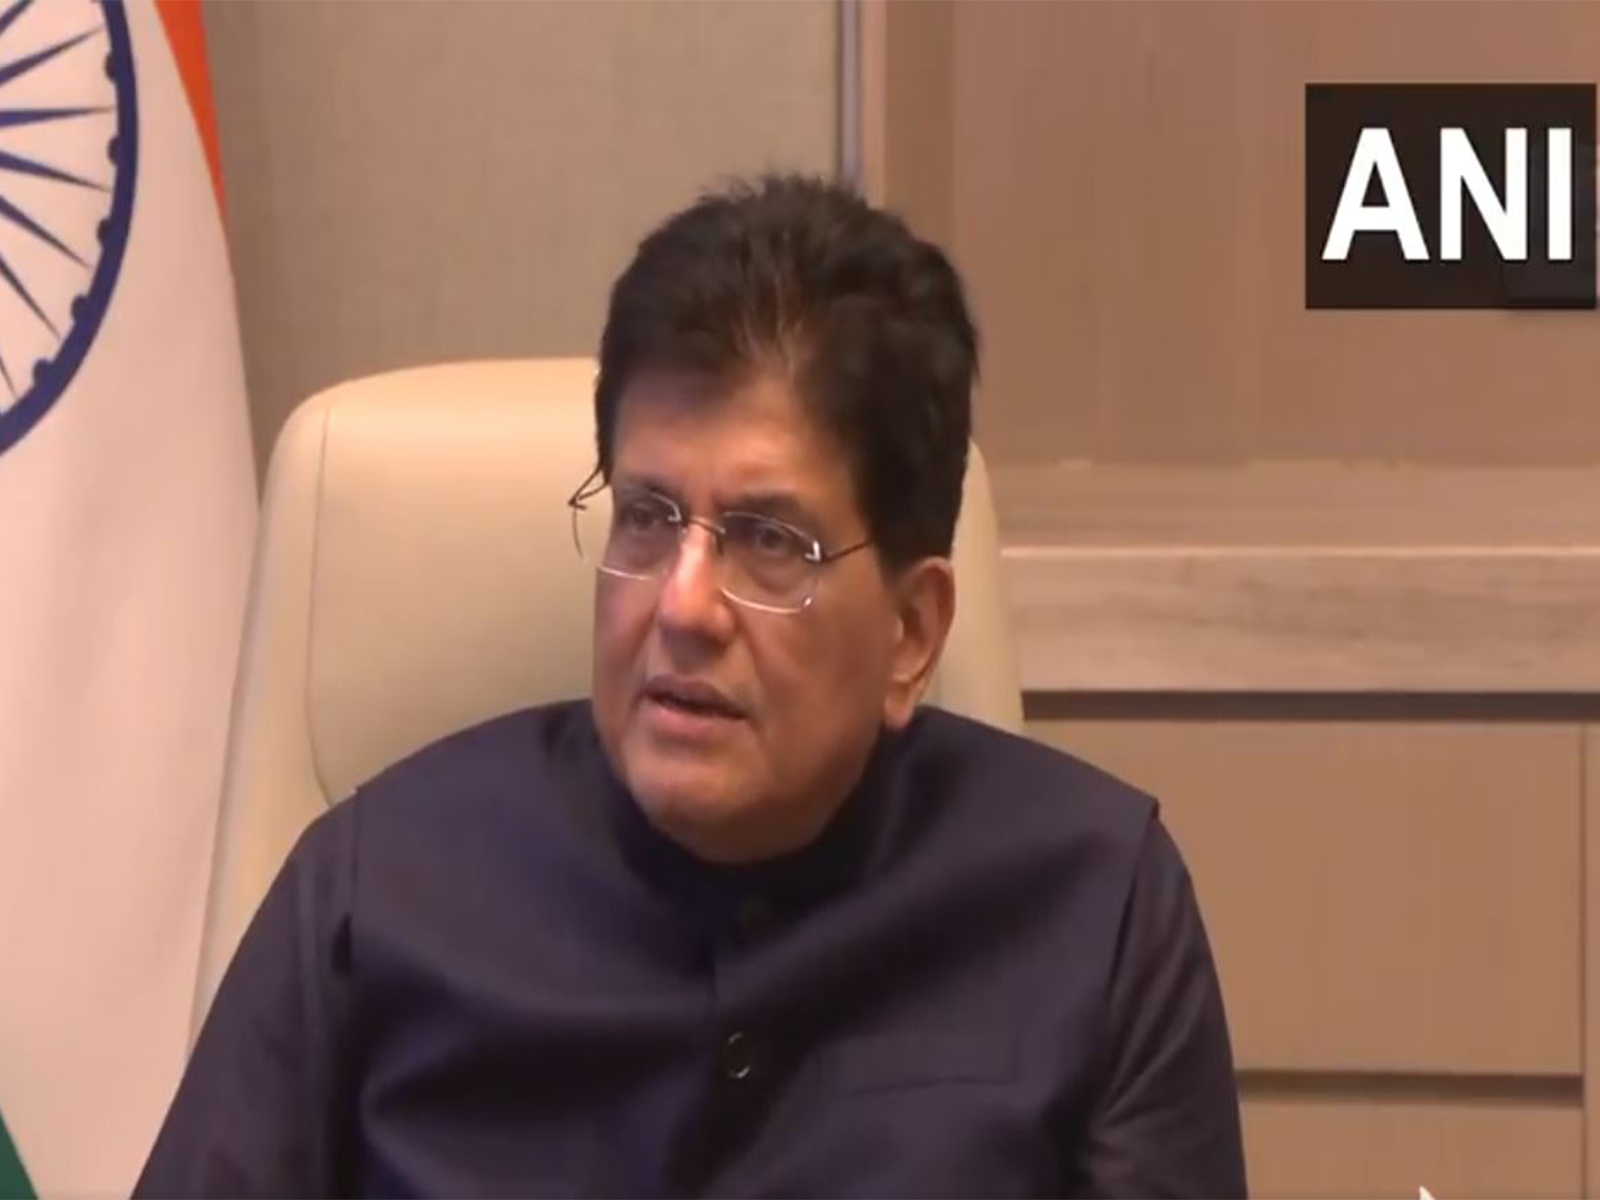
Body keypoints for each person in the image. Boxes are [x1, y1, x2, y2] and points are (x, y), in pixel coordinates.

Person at [135, 173, 1246, 1197]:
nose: (682, 606)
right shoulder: (370, 896)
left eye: (768, 540)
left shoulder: (1094, 911)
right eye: (647, 517)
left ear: (912, 632)